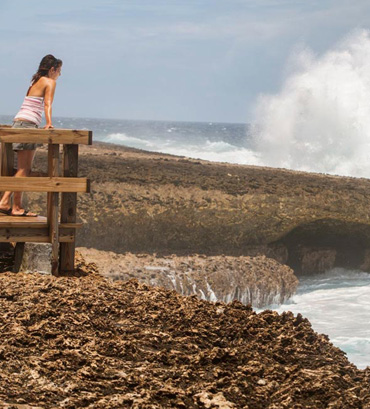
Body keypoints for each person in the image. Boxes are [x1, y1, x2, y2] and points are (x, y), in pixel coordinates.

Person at [0, 54, 62, 217]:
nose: (59, 75)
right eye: (59, 71)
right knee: (24, 169)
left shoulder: (34, 81)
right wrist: (48, 123)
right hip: (27, 125)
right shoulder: (50, 82)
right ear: (52, 69)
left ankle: (12, 205)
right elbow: (48, 103)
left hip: (19, 123)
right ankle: (9, 204)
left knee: (23, 169)